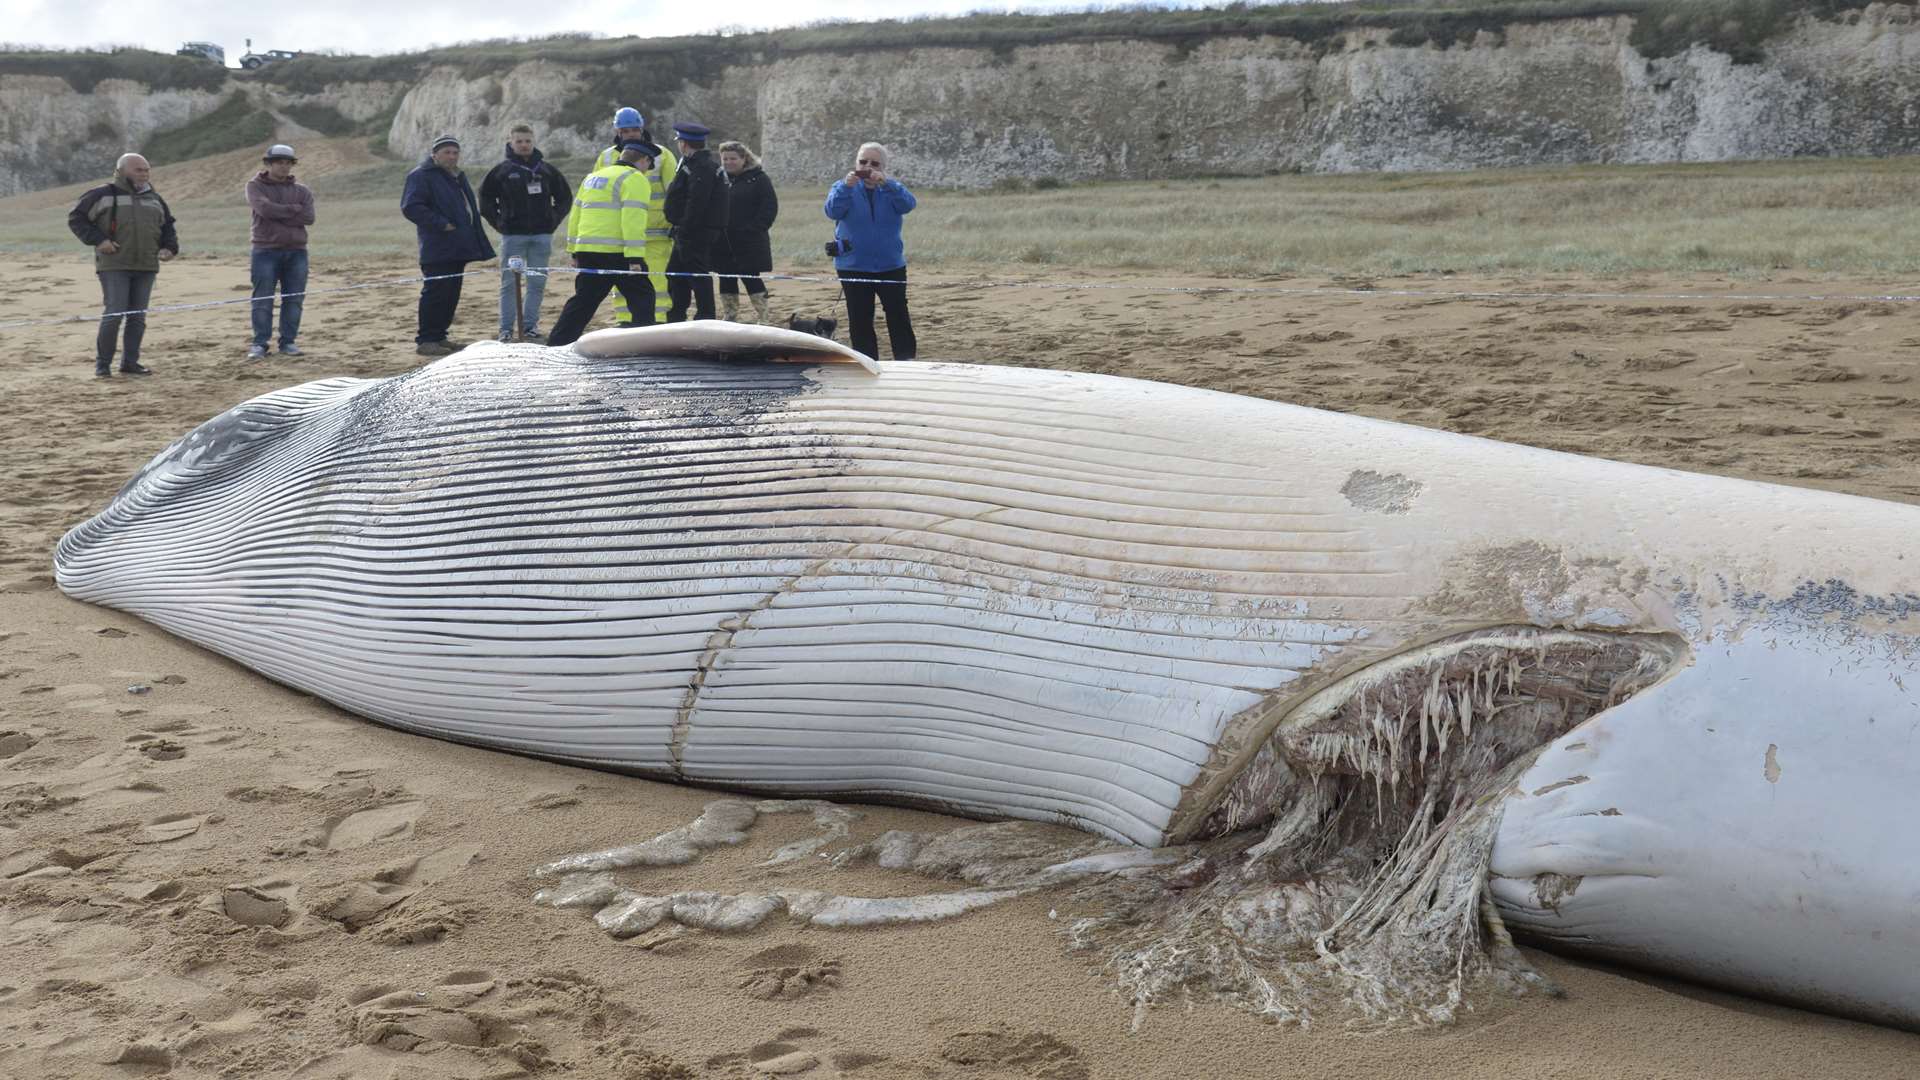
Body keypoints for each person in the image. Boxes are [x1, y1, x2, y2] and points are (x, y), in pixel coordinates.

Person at [67, 152, 177, 378]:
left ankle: (130, 363)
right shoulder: (101, 194)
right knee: (114, 313)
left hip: (146, 265)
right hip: (114, 264)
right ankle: (103, 366)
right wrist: (99, 240)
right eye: (139, 169)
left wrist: (169, 247)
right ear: (121, 171)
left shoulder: (154, 197)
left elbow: (168, 225)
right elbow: (76, 219)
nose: (145, 174)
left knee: (137, 317)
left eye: (147, 169)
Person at [547, 140, 661, 347]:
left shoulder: (593, 177)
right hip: (618, 253)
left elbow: (576, 215)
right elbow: (633, 218)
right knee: (643, 298)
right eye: (648, 165)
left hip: (588, 251)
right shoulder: (634, 178)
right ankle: (647, 345)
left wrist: (574, 251)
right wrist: (635, 257)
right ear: (644, 160)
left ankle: (557, 344)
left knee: (583, 302)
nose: (646, 171)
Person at [401, 135, 495, 356]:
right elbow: (411, 207)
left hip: (458, 245)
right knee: (435, 293)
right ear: (435, 154)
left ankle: (440, 336)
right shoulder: (421, 175)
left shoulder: (455, 176)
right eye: (447, 152)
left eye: (455, 152)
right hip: (437, 246)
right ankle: (426, 340)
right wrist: (441, 224)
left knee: (451, 293)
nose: (452, 156)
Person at [824, 142, 917, 361]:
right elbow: (832, 210)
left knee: (898, 315)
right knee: (859, 318)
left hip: (890, 264)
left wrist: (888, 185)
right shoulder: (841, 187)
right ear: (855, 163)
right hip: (853, 265)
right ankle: (866, 361)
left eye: (874, 163)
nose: (867, 167)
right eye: (863, 162)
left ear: (883, 167)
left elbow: (908, 205)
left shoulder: (892, 188)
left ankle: (906, 360)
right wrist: (846, 188)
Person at [479, 123, 572, 342]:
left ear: (534, 142)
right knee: (510, 284)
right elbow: (485, 201)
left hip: (542, 237)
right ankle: (506, 330)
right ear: (510, 142)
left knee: (536, 283)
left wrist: (552, 221)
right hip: (513, 238)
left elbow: (565, 198)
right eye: (519, 141)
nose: (523, 145)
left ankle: (530, 326)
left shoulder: (547, 170)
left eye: (527, 141)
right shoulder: (501, 171)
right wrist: (502, 224)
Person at [596, 107, 676, 326]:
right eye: (625, 130)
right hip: (619, 234)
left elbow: (674, 192)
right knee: (621, 283)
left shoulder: (661, 156)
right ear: (617, 131)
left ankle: (657, 321)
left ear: (642, 129)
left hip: (656, 233)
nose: (630, 134)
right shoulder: (606, 157)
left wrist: (674, 223)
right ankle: (624, 320)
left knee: (657, 280)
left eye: (634, 130)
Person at [244, 143, 315, 360]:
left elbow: (309, 218)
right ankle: (260, 343)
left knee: (293, 299)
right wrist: (293, 209)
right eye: (279, 162)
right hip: (265, 250)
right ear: (269, 164)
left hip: (297, 251)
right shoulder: (254, 186)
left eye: (288, 163)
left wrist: (279, 211)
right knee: (263, 298)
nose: (284, 167)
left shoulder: (302, 191)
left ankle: (288, 342)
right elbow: (263, 209)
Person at [662, 121, 728, 322]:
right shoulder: (693, 163)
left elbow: (697, 201)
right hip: (688, 230)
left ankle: (705, 315)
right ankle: (676, 314)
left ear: (684, 143)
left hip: (695, 232)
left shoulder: (701, 166)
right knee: (675, 274)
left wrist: (685, 227)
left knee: (698, 275)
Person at [715, 140, 777, 323]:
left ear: (744, 158)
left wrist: (752, 229)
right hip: (723, 241)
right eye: (725, 159)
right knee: (726, 278)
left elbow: (769, 208)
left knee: (751, 278)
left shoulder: (759, 179)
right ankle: (730, 315)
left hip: (750, 241)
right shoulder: (720, 179)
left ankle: (764, 316)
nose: (728, 162)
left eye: (733, 158)